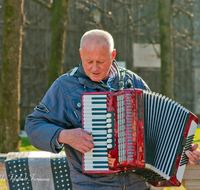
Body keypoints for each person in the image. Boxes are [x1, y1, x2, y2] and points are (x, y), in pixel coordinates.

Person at [25, 29, 200, 190]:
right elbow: (34, 126)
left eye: (100, 61)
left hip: (136, 184)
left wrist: (182, 147)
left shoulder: (133, 82)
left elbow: (157, 128)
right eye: (89, 61)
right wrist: (64, 135)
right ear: (80, 54)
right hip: (92, 185)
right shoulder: (64, 87)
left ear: (113, 55)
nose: (94, 68)